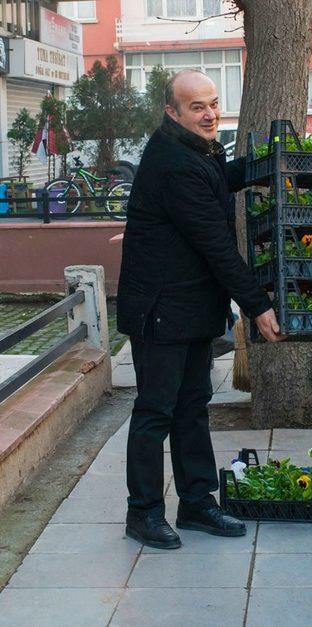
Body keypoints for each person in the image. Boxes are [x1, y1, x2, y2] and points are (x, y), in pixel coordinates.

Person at [117, 70, 281, 549]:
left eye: (213, 104)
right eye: (197, 107)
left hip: (188, 306)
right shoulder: (173, 163)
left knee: (193, 408)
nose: (210, 114)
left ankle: (197, 503)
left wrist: (260, 166)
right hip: (161, 309)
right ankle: (143, 513)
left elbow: (217, 180)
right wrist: (258, 307)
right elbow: (215, 244)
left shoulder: (194, 148)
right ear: (173, 111)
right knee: (155, 412)